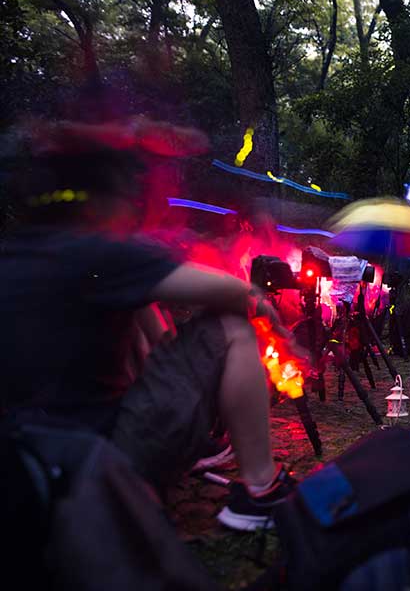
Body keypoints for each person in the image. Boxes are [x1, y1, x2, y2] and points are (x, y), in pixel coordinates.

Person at [0, 117, 297, 531]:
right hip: (97, 460)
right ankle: (260, 493)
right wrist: (279, 329)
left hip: (24, 463)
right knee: (233, 326)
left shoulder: (21, 252)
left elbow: (155, 337)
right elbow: (239, 293)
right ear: (105, 198)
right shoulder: (104, 252)